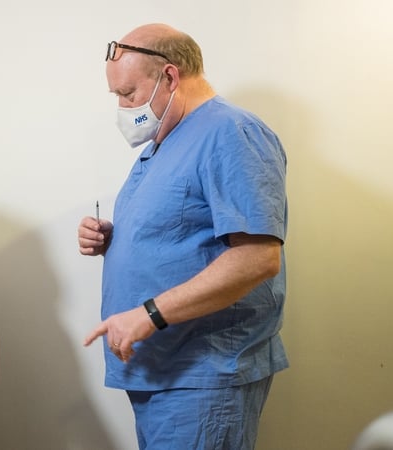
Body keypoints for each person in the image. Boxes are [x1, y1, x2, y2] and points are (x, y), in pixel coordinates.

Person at [78, 24, 288, 450]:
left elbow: (257, 258)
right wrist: (113, 241)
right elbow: (182, 234)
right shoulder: (163, 142)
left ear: (170, 77)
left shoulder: (230, 132)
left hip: (203, 374)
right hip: (164, 372)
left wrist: (148, 313)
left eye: (128, 93)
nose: (121, 106)